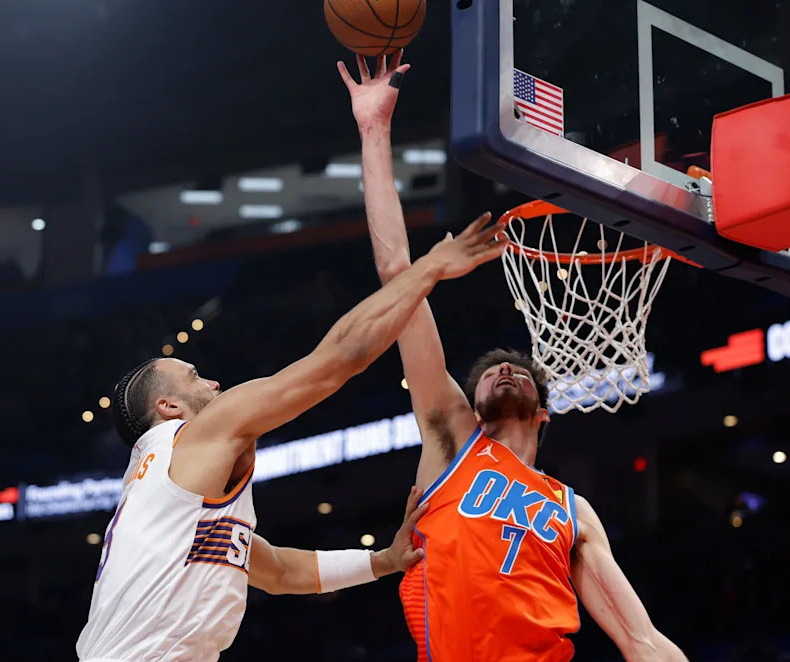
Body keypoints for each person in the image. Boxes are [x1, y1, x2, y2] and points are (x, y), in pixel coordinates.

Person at [339, 51, 689, 662]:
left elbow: (642, 639)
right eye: (488, 373)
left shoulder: (573, 513)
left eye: (518, 370)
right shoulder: (451, 437)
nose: (504, 368)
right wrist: (374, 129)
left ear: (544, 412)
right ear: (469, 405)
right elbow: (397, 272)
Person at [75, 216, 509, 662]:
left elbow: (279, 571)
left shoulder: (164, 498)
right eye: (195, 377)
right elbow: (337, 360)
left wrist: (381, 561)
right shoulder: (194, 438)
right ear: (168, 408)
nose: (214, 384)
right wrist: (429, 270)